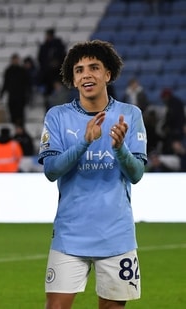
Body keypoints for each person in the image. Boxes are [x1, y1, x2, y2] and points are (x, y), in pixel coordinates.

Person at [38, 39, 147, 309]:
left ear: (107, 74)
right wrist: (84, 142)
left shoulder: (129, 115)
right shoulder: (58, 116)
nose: (86, 74)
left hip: (116, 234)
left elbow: (136, 174)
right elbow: (51, 171)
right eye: (79, 70)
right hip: (70, 234)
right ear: (73, 80)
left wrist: (120, 149)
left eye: (94, 67)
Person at [0, 53, 31, 125]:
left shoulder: (22, 70)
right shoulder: (8, 71)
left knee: (20, 114)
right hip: (12, 96)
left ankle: (20, 128)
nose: (15, 61)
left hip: (21, 96)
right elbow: (5, 83)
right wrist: (2, 94)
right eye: (14, 60)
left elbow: (26, 84)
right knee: (12, 113)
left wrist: (28, 95)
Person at [37, 28, 66, 102]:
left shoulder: (59, 46)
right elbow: (40, 59)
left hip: (57, 73)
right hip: (47, 76)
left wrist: (57, 63)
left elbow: (63, 58)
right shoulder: (44, 47)